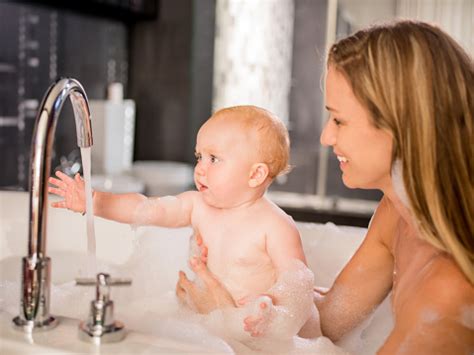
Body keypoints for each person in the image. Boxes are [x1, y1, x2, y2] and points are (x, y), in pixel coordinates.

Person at [176, 20, 474, 353]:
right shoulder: (396, 215)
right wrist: (240, 304)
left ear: (402, 126)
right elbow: (329, 322)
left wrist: (221, 312)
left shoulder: (449, 296)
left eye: (339, 120)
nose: (325, 137)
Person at [48, 105, 321, 338]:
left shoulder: (275, 226)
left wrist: (271, 308)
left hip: (255, 334)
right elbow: (147, 208)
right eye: (199, 156)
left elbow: (298, 287)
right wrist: (96, 201)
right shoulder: (197, 205)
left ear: (255, 175)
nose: (200, 168)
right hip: (210, 328)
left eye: (214, 159)